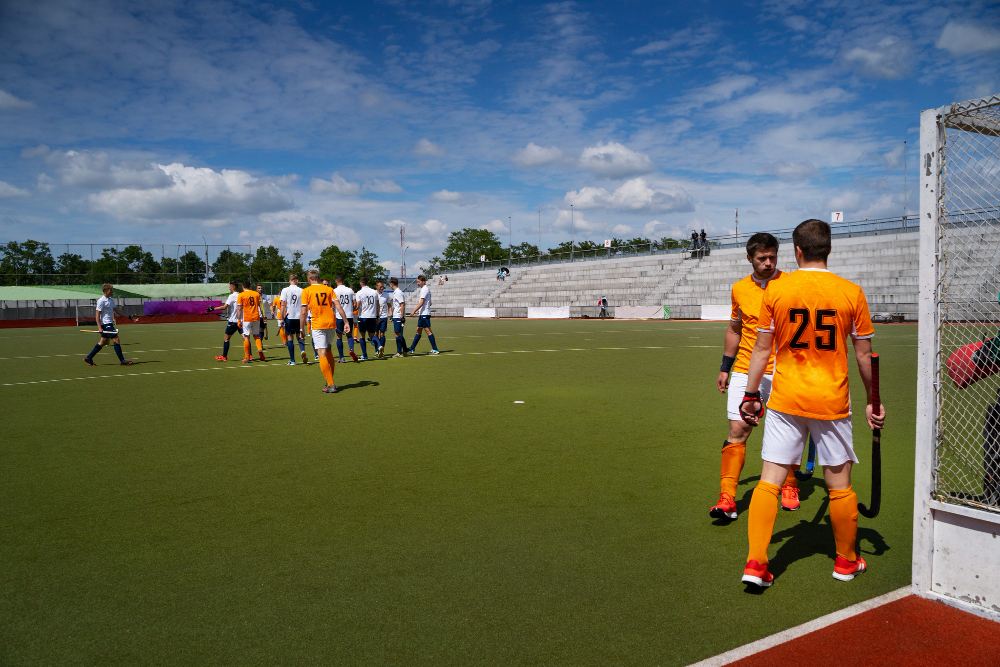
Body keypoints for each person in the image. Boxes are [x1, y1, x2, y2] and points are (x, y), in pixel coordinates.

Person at [738, 219, 885, 588]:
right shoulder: (851, 291)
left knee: (769, 481)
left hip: (786, 397)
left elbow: (760, 349)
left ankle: (756, 564)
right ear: (829, 249)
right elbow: (865, 356)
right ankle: (846, 561)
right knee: (839, 485)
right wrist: (874, 401)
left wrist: (751, 395)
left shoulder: (776, 290)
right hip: (832, 400)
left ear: (797, 251)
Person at [711, 233, 801, 521]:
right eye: (762, 258)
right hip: (746, 368)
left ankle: (789, 484)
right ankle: (727, 498)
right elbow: (735, 329)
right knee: (738, 430)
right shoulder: (739, 289)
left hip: (785, 369)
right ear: (749, 258)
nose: (768, 262)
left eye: (772, 256)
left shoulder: (791, 284)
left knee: (788, 432)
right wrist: (726, 366)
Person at [300, 269, 352, 393]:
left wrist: (301, 328)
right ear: (318, 278)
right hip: (331, 323)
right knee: (328, 350)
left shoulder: (306, 291)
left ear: (309, 279)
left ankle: (331, 384)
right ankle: (329, 381)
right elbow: (338, 306)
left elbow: (303, 311)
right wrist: (346, 322)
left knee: (321, 353)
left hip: (318, 324)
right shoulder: (329, 289)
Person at [83, 283, 137, 366]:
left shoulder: (111, 300)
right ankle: (122, 360)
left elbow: (117, 310)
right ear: (105, 291)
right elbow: (97, 314)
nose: (112, 292)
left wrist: (129, 317)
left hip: (109, 323)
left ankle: (89, 357)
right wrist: (99, 327)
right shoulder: (101, 301)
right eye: (110, 290)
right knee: (116, 339)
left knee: (103, 342)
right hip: (105, 324)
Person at [207, 280, 241, 361]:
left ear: (233, 288)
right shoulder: (241, 295)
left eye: (230, 287)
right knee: (245, 337)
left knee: (226, 338)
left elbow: (224, 307)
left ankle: (224, 356)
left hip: (233, 321)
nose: (229, 288)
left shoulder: (232, 296)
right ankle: (249, 355)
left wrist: (213, 309)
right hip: (241, 321)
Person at [279, 274, 307, 365]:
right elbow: (304, 305)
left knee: (290, 338)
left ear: (289, 280)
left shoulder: (285, 290)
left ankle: (292, 360)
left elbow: (283, 304)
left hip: (290, 316)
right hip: (299, 317)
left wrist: (282, 318)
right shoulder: (302, 290)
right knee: (299, 336)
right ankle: (302, 350)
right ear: (297, 281)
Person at [408, 274, 439, 354]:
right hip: (423, 313)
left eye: (419, 282)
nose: (417, 283)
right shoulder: (424, 289)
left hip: (425, 314)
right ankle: (412, 348)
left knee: (428, 331)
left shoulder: (424, 289)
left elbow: (422, 302)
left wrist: (414, 310)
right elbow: (429, 303)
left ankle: (435, 349)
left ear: (423, 281)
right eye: (417, 282)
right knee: (418, 330)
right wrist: (420, 310)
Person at [236, 280, 265, 363]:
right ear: (250, 286)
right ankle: (260, 350)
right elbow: (261, 306)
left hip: (247, 318)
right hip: (256, 317)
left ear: (242, 286)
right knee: (256, 335)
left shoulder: (241, 295)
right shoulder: (256, 294)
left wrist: (238, 320)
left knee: (246, 337)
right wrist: (263, 316)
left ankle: (247, 357)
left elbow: (239, 308)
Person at [333, 275, 359, 363]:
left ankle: (341, 357)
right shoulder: (350, 290)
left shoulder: (334, 291)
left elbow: (333, 305)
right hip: (349, 315)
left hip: (339, 316)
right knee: (349, 335)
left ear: (336, 281)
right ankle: (351, 349)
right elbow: (355, 305)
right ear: (343, 281)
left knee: (339, 336)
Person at [354, 277, 379, 361]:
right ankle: (379, 346)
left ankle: (364, 355)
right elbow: (377, 305)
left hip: (363, 316)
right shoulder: (374, 292)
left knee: (362, 336)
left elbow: (357, 306)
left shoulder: (359, 292)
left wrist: (351, 308)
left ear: (361, 283)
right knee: (372, 335)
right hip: (372, 316)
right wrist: (377, 315)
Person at [390, 277, 407, 358]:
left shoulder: (398, 293)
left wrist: (402, 316)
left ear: (392, 284)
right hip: (396, 315)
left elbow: (402, 304)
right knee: (398, 333)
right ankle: (405, 350)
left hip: (398, 316)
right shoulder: (396, 292)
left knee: (397, 334)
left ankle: (399, 352)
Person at [375, 280, 389, 358]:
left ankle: (382, 350)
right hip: (375, 316)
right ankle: (377, 350)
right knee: (375, 334)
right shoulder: (374, 294)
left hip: (383, 317)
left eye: (382, 286)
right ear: (377, 286)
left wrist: (391, 314)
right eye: (380, 286)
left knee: (382, 334)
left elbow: (389, 305)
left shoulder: (386, 295)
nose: (381, 288)